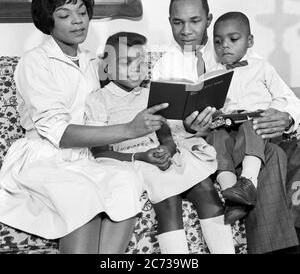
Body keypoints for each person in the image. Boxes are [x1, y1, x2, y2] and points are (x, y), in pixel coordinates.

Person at [0, 0, 169, 254]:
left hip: (86, 157)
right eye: (65, 15)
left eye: (82, 12)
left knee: (126, 181)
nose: (78, 21)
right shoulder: (35, 63)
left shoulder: (94, 60)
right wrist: (130, 129)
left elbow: (127, 87)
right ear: (48, 20)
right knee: (83, 194)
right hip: (45, 156)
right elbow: (60, 134)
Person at [152, 0, 299, 254]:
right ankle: (271, 241)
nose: (186, 30)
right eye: (177, 22)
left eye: (195, 21)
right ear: (169, 21)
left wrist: (285, 117)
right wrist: (189, 128)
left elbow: (284, 98)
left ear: (208, 19)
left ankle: (245, 208)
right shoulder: (164, 66)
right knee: (273, 154)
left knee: (273, 151)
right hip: (201, 143)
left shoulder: (232, 47)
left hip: (243, 134)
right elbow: (161, 121)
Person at [85, 31, 236, 254]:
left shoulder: (150, 94)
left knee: (206, 188)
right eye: (127, 62)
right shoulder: (98, 100)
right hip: (132, 161)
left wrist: (167, 147)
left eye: (141, 61)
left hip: (160, 153)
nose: (136, 67)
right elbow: (99, 153)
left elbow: (165, 134)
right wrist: (142, 156)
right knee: (168, 198)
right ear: (107, 66)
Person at [207, 11, 300, 224]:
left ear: (249, 41)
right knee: (216, 137)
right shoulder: (213, 74)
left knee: (253, 125)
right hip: (229, 127)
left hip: (257, 125)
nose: (225, 46)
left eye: (233, 39)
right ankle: (233, 196)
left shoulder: (262, 68)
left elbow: (284, 98)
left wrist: (271, 112)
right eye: (218, 41)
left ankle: (248, 182)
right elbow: (211, 106)